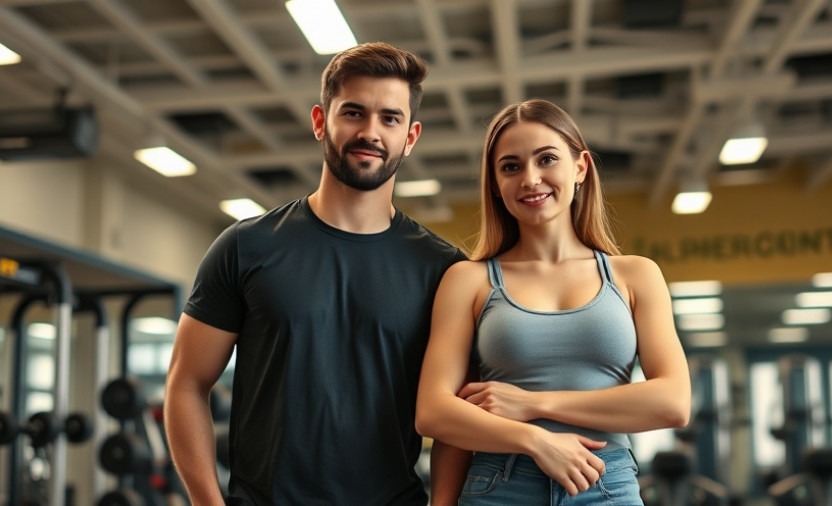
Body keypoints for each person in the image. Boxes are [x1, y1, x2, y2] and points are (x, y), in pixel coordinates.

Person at [164, 42, 468, 505]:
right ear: (320, 122)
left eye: (390, 118)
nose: (371, 131)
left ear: (411, 137)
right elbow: (186, 384)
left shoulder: (444, 269)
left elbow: (456, 414)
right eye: (353, 113)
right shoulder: (245, 247)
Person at [416, 99, 692, 504]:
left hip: (604, 484)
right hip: (500, 485)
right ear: (494, 183)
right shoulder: (468, 280)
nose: (530, 179)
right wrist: (534, 440)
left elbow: (672, 402)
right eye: (510, 167)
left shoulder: (635, 275)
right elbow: (434, 412)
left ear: (580, 167)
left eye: (546, 159)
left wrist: (532, 403)